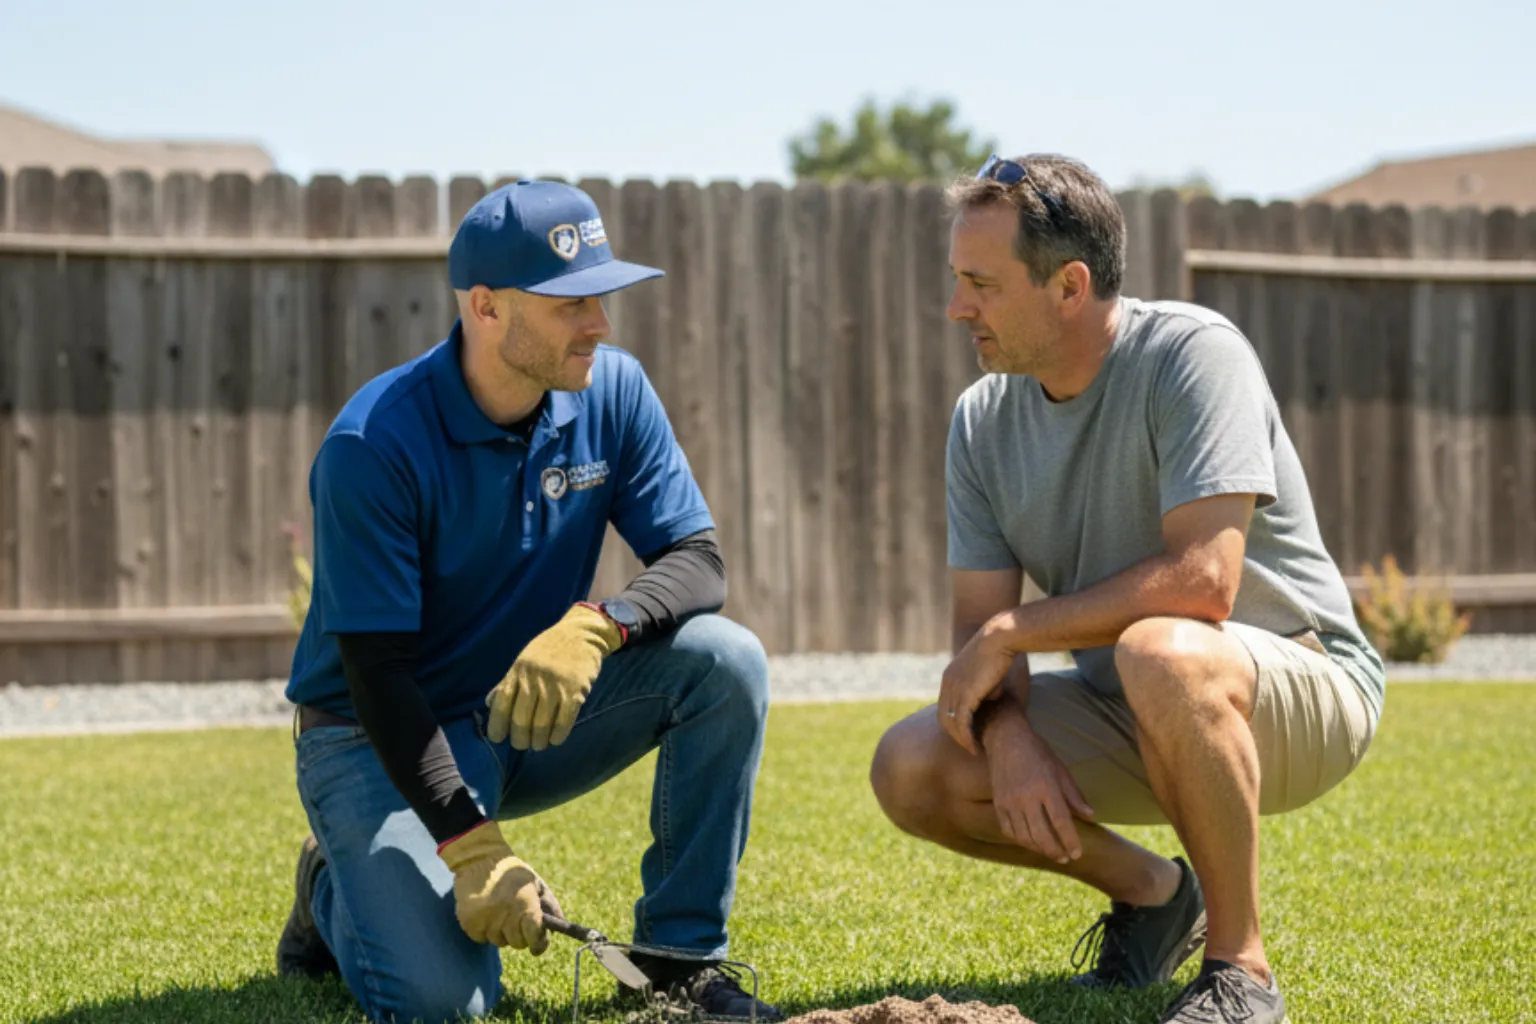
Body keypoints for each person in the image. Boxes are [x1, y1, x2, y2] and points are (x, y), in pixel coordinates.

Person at [869, 154, 1385, 1024]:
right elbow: (978, 635)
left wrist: (1012, 632)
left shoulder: (1193, 354)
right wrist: (1008, 737)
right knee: (913, 765)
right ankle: (1156, 898)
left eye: (981, 285)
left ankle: (1241, 970)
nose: (958, 307)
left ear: (1069, 286)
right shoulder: (982, 421)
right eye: (958, 280)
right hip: (1139, 700)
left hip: (1303, 686)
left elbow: (1205, 582)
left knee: (1163, 650)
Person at [275, 179, 781, 1024]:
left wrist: (598, 626)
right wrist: (473, 847)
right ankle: (330, 882)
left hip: (523, 709)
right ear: (485, 307)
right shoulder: (373, 445)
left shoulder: (614, 391)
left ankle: (678, 964)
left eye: (602, 298)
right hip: (376, 738)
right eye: (570, 304)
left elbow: (698, 562)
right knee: (445, 1005)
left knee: (727, 663)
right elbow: (378, 675)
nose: (600, 324)